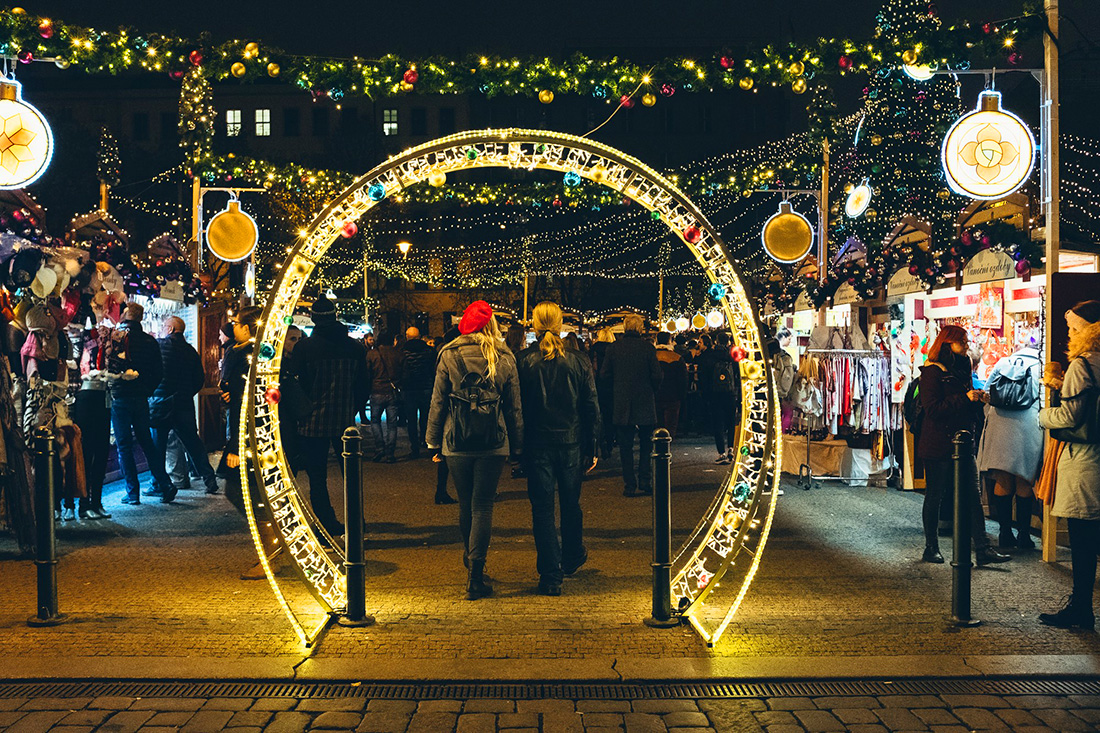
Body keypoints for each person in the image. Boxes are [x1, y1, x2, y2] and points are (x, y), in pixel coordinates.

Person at [426, 301, 523, 600]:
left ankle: (470, 560)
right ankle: (475, 575)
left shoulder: (448, 354)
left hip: (456, 440)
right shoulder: (503, 356)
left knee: (466, 504)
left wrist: (432, 440)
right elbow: (514, 405)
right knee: (483, 505)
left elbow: (438, 401)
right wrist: (518, 443)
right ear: (491, 325)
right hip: (493, 441)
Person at [516, 302, 599, 596]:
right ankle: (572, 554)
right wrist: (595, 444)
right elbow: (590, 404)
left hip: (538, 443)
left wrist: (518, 447)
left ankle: (550, 574)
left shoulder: (524, 360)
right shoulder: (578, 360)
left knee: (542, 509)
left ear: (535, 326)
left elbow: (519, 408)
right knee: (570, 502)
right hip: (571, 441)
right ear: (561, 323)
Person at [917, 325, 1009, 566]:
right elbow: (933, 409)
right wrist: (964, 398)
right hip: (938, 442)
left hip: (963, 441)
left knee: (972, 494)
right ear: (949, 343)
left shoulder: (964, 365)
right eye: (963, 341)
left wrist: (976, 398)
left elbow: (962, 400)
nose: (967, 344)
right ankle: (931, 547)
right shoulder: (932, 372)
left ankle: (983, 547)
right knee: (935, 495)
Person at [1038, 300, 1100, 629]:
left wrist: (1043, 415)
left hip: (1086, 459)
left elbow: (1070, 416)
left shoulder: (1083, 364)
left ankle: (1081, 609)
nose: (1070, 333)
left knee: (1083, 541)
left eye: (1074, 328)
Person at [295, 296, 368, 537]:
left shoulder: (304, 348)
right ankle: (357, 522)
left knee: (317, 477)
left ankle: (327, 524)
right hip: (344, 420)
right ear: (335, 316)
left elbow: (299, 385)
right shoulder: (355, 348)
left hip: (311, 421)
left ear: (314, 319)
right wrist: (353, 408)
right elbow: (362, 386)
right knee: (351, 476)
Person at [978, 343, 1043, 550]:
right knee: (1024, 480)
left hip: (1000, 424)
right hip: (1028, 425)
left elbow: (986, 395)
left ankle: (1005, 533)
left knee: (1003, 479)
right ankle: (1024, 536)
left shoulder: (1002, 362)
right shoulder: (1040, 365)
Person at [109, 302, 174, 505]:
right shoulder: (150, 341)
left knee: (124, 445)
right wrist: (147, 390)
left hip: (120, 397)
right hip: (141, 398)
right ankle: (165, 484)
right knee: (147, 442)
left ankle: (132, 492)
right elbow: (159, 373)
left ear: (126, 314)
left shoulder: (117, 339)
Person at [149, 316, 219, 498]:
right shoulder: (190, 351)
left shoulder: (159, 345)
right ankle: (209, 479)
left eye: (164, 326)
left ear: (171, 329)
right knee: (194, 444)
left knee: (158, 447)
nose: (163, 329)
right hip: (184, 404)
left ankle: (159, 485)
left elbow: (153, 372)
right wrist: (186, 393)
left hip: (161, 403)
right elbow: (199, 379)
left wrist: (154, 392)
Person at [600, 315, 662, 496]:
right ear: (641, 329)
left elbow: (604, 374)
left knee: (625, 447)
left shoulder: (614, 348)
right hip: (644, 399)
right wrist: (652, 389)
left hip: (622, 400)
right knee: (646, 444)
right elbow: (657, 375)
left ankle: (629, 483)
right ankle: (645, 479)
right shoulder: (647, 348)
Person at [698, 331, 741, 464]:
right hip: (730, 393)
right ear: (728, 342)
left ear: (716, 341)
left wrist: (705, 394)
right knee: (731, 421)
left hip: (714, 394)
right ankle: (731, 450)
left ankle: (721, 452)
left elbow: (703, 376)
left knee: (718, 423)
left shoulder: (708, 355)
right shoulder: (733, 355)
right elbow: (738, 375)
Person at [366, 331, 403, 463]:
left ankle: (379, 447)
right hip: (392, 390)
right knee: (392, 424)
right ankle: (390, 452)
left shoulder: (372, 354)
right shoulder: (397, 353)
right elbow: (404, 372)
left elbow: (367, 373)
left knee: (375, 421)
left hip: (376, 390)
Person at [400, 327, 435, 459]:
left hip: (409, 388)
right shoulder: (429, 351)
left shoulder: (403, 351)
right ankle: (425, 441)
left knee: (412, 419)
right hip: (426, 386)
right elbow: (433, 369)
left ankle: (414, 448)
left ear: (407, 336)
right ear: (419, 336)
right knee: (425, 417)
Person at [654, 331, 687, 440]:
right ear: (670, 341)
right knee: (671, 426)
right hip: (673, 396)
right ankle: (667, 446)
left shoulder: (652, 356)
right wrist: (682, 396)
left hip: (655, 395)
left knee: (657, 424)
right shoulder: (676, 357)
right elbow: (682, 380)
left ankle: (658, 446)